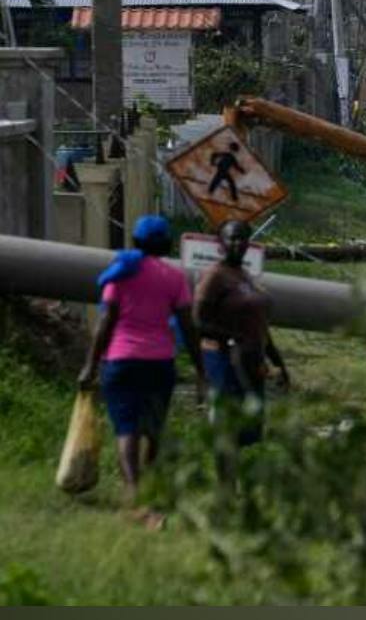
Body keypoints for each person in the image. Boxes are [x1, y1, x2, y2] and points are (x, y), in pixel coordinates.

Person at [78, 214, 206, 516]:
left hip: (121, 361)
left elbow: (106, 322)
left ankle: (134, 493)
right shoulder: (174, 278)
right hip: (159, 363)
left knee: (127, 430)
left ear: (135, 241)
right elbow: (188, 326)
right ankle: (148, 490)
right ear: (166, 244)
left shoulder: (121, 272)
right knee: (153, 429)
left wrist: (90, 365)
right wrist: (201, 368)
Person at [194, 218, 290, 465]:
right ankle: (225, 484)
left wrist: (277, 361)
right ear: (221, 243)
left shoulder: (244, 275)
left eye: (242, 238)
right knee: (227, 427)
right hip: (224, 361)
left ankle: (237, 481)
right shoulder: (214, 276)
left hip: (251, 361)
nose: (237, 243)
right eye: (232, 238)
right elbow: (198, 322)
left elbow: (259, 326)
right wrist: (231, 337)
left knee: (247, 430)